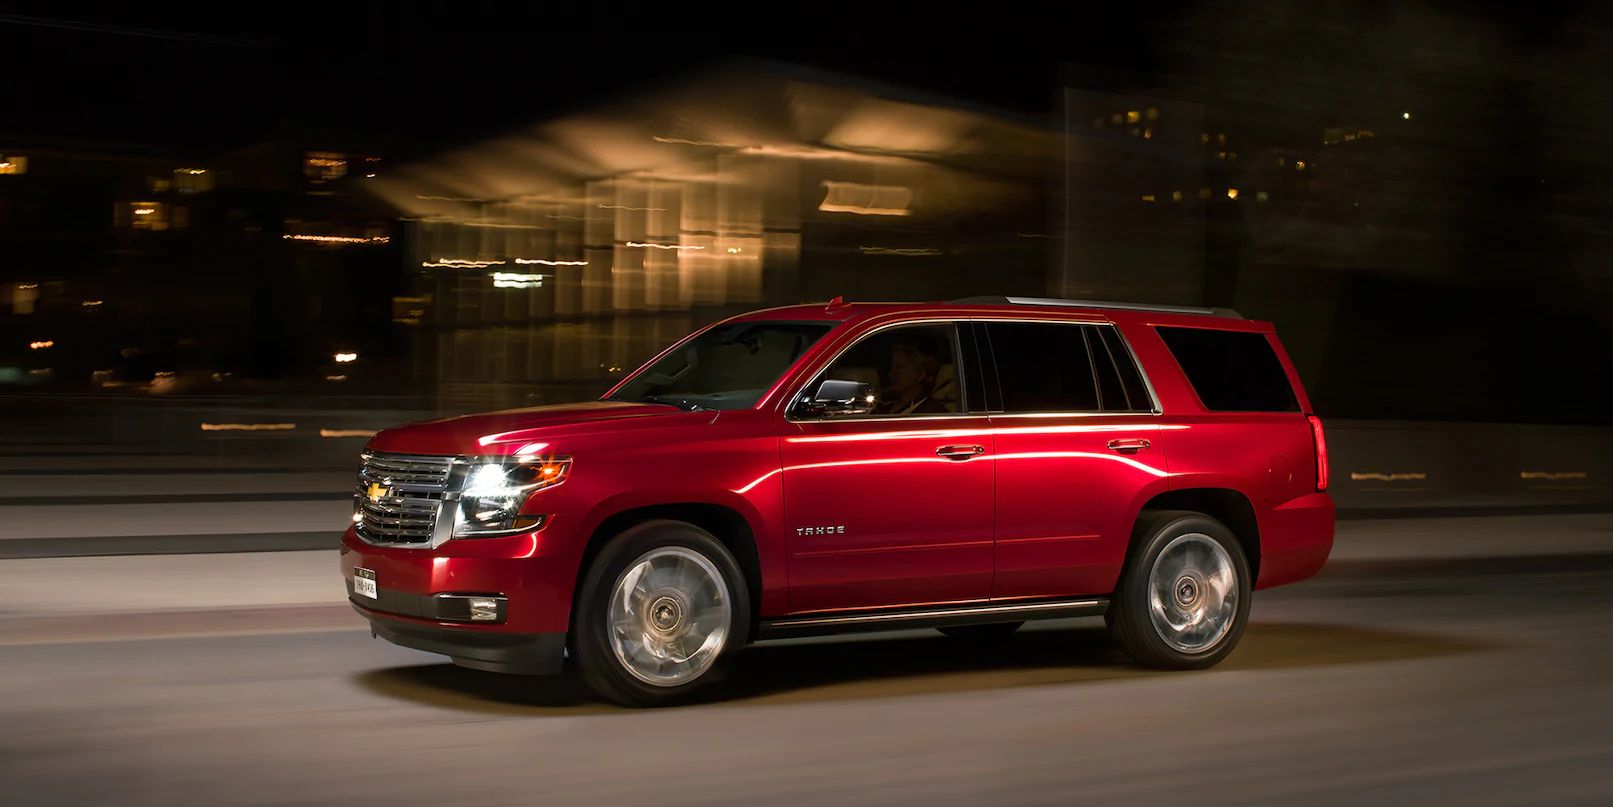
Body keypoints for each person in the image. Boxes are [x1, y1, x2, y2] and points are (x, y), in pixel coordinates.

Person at [874, 339, 951, 416]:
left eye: (899, 367)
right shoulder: (884, 408)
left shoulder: (933, 412)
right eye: (892, 368)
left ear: (920, 375)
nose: (891, 373)